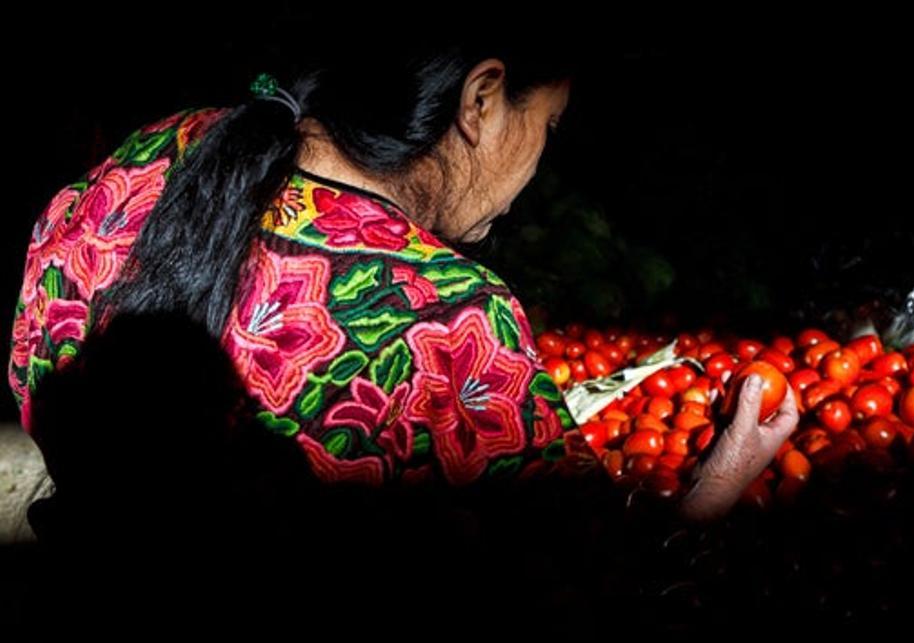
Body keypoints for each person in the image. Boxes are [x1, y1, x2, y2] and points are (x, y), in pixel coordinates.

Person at [8, 31, 799, 533]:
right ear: (481, 99)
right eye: (546, 127)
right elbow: (592, 603)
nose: (536, 162)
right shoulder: (453, 321)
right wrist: (718, 487)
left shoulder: (146, 158)